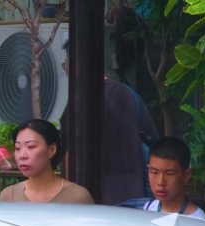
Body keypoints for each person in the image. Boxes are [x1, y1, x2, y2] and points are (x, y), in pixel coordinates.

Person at [61, 40, 159, 205]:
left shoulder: (81, 101)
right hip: (136, 198)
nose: (65, 70)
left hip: (93, 200)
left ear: (76, 63)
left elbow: (71, 153)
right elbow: (153, 143)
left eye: (65, 64)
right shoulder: (130, 95)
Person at [0, 119, 94, 204]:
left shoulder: (78, 196)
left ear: (51, 150)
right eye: (18, 148)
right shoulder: (9, 196)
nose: (22, 156)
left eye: (31, 146)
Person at [143, 137, 205, 217]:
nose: (160, 182)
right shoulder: (149, 208)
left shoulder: (198, 219)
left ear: (186, 175)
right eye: (154, 172)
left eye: (169, 174)